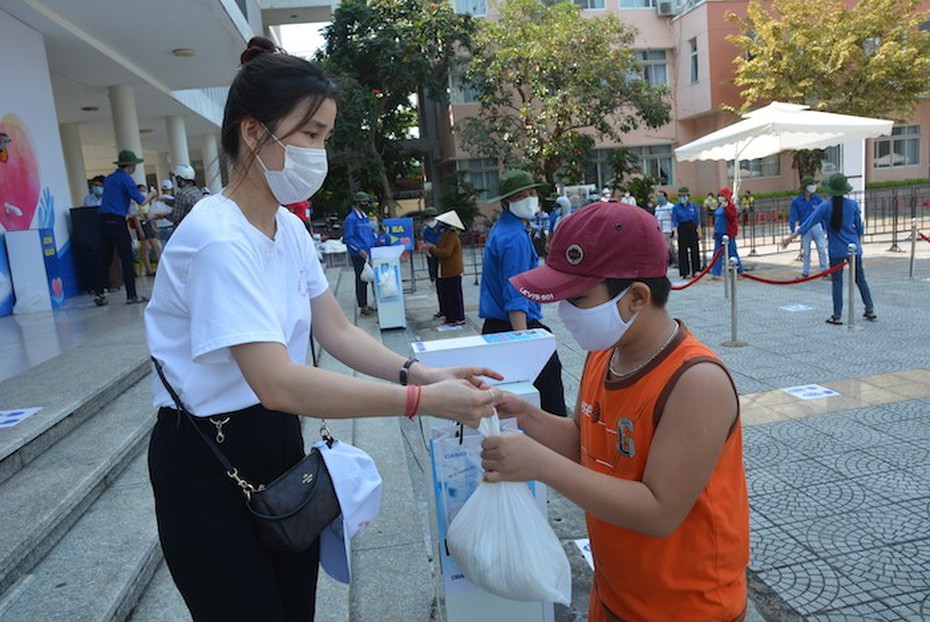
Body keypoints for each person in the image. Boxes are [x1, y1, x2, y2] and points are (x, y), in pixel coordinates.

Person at [144, 36, 503, 622]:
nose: (319, 151)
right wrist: (419, 399)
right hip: (208, 457)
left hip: (277, 446)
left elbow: (335, 330)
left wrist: (425, 370)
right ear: (254, 133)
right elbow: (277, 381)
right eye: (309, 134)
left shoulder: (287, 232)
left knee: (295, 608)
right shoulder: (217, 239)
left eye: (325, 137)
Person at [481, 201, 748, 621]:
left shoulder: (696, 382)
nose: (564, 311)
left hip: (686, 608)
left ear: (637, 297)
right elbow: (587, 444)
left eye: (578, 298)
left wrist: (541, 467)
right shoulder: (605, 354)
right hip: (614, 594)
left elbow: (659, 510)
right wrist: (523, 414)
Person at [479, 169, 568, 417]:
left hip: (498, 328)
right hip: (515, 326)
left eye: (532, 193)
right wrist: (524, 341)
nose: (530, 199)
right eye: (522, 195)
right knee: (549, 399)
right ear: (507, 202)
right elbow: (515, 294)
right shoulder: (514, 237)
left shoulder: (502, 229)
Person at [781, 172, 876, 325]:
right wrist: (858, 244)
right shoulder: (852, 205)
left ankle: (837, 315)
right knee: (861, 279)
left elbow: (808, 223)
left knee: (837, 282)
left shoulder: (825, 206)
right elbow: (859, 228)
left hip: (836, 250)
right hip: (853, 249)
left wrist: (790, 238)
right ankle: (869, 309)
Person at [94, 150, 156, 306]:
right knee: (127, 257)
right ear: (130, 166)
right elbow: (142, 201)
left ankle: (99, 293)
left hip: (103, 220)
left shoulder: (109, 179)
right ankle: (132, 295)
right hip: (117, 221)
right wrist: (152, 194)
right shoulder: (126, 179)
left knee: (105, 258)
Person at [426, 210, 466, 326]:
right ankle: (450, 316)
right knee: (447, 294)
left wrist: (432, 249)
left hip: (452, 270)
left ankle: (457, 317)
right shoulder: (445, 235)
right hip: (444, 270)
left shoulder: (452, 236)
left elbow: (446, 253)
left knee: (454, 295)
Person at [343, 191, 376, 316]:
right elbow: (348, 238)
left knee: (371, 277)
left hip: (369, 252)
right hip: (359, 254)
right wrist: (358, 250)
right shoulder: (351, 219)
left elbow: (369, 234)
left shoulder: (365, 217)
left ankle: (371, 303)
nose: (366, 204)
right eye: (364, 202)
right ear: (357, 203)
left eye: (367, 202)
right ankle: (363, 305)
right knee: (361, 279)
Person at [788, 176, 828, 278]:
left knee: (822, 249)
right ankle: (805, 272)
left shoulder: (817, 199)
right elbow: (793, 216)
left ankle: (825, 270)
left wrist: (825, 228)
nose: (814, 187)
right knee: (806, 251)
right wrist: (793, 230)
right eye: (812, 184)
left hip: (817, 226)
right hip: (804, 227)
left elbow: (823, 213)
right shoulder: (796, 201)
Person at [709, 187, 743, 278]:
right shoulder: (719, 206)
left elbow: (732, 217)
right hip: (718, 233)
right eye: (719, 196)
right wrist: (714, 231)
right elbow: (716, 219)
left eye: (722, 196)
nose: (720, 198)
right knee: (717, 253)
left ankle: (739, 271)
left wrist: (727, 208)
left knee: (732, 252)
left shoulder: (731, 206)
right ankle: (715, 273)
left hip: (728, 233)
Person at [672, 186, 701, 279]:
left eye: (685, 195)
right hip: (682, 227)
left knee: (695, 249)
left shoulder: (693, 206)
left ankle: (696, 270)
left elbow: (697, 220)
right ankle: (685, 272)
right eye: (681, 196)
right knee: (682, 250)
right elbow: (674, 221)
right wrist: (676, 233)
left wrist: (699, 232)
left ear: (688, 196)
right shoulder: (676, 208)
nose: (683, 197)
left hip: (691, 227)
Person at [134, 184, 162, 277]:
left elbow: (149, 215)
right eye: (141, 191)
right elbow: (136, 217)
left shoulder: (147, 202)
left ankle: (161, 267)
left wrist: (154, 226)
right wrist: (140, 231)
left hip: (148, 223)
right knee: (146, 247)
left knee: (156, 246)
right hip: (142, 225)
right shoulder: (136, 203)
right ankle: (148, 269)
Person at [421, 206, 443, 319]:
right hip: (432, 257)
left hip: (442, 257)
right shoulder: (426, 230)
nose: (430, 221)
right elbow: (424, 242)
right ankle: (442, 309)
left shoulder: (442, 228)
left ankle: (447, 309)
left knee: (445, 286)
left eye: (432, 218)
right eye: (427, 219)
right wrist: (426, 249)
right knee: (438, 285)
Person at [652, 190, 676, 269]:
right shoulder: (657, 208)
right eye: (658, 197)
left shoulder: (670, 206)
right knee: (669, 246)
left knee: (667, 246)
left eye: (661, 196)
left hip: (667, 229)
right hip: (660, 229)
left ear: (665, 197)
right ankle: (674, 260)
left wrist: (673, 229)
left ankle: (669, 261)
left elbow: (673, 218)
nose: (659, 198)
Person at [155, 179, 177, 244]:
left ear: (162, 190)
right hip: (171, 226)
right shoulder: (173, 200)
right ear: (171, 189)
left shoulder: (157, 200)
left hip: (160, 227)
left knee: (163, 248)